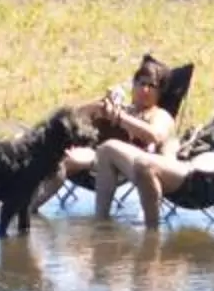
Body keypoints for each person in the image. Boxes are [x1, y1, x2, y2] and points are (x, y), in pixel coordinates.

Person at [92, 70, 214, 229]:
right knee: (107, 149)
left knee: (145, 164)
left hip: (207, 182)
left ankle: (151, 235)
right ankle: (101, 225)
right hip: (184, 169)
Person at [56, 53, 180, 192]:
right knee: (59, 160)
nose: (145, 90)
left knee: (71, 161)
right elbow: (72, 116)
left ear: (160, 92)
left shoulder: (160, 115)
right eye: (142, 83)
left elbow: (155, 135)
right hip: (97, 158)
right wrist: (99, 106)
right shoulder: (124, 108)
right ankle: (32, 206)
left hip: (132, 166)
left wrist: (121, 118)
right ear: (134, 85)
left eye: (152, 86)